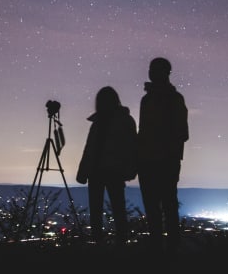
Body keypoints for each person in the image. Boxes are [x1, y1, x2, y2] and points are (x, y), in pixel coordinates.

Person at [137, 57, 189, 253]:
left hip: (163, 161)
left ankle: (167, 249)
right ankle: (160, 249)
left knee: (165, 206)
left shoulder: (172, 99)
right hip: (154, 161)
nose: (151, 73)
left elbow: (182, 133)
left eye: (155, 70)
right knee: (158, 207)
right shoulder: (148, 100)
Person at [76, 86, 137, 247]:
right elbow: (90, 148)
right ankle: (108, 243)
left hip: (110, 171)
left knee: (111, 208)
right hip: (103, 171)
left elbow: (131, 147)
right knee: (111, 208)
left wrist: (83, 172)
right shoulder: (118, 121)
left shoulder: (116, 121)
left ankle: (114, 243)